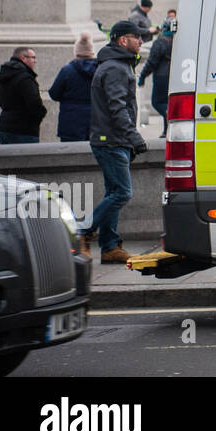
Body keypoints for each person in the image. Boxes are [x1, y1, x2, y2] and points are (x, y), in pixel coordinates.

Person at [82, 20, 148, 263]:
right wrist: (134, 137)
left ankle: (109, 247)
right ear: (122, 40)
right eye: (136, 37)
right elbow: (117, 108)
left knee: (114, 192)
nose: (141, 41)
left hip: (113, 139)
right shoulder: (116, 68)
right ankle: (82, 231)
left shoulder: (119, 66)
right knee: (122, 193)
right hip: (111, 140)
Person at [48, 33, 99, 142]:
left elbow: (54, 94)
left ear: (76, 52)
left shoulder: (67, 70)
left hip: (71, 124)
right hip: (96, 123)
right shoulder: (101, 71)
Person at [0, 47, 47, 144]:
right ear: (23, 58)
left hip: (3, 126)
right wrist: (41, 114)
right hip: (24, 129)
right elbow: (35, 103)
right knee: (28, 159)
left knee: (7, 159)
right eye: (33, 58)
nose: (35, 61)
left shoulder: (2, 74)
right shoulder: (25, 78)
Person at [139, 17, 175, 136]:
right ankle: (166, 131)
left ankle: (169, 118)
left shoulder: (160, 42)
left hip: (161, 77)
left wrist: (142, 77)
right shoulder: (177, 41)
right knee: (168, 103)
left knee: (158, 103)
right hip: (174, 77)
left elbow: (151, 62)